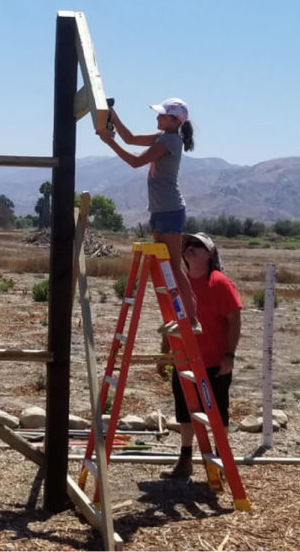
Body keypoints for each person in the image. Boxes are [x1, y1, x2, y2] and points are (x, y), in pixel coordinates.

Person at [98, 98, 197, 326]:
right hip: (160, 210)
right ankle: (177, 316)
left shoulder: (171, 141)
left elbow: (134, 161)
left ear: (174, 120)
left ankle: (191, 319)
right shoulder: (163, 137)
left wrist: (108, 142)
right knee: (166, 268)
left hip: (170, 210)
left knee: (173, 266)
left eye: (161, 115)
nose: (157, 117)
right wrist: (112, 113)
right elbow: (130, 138)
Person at [158, 232, 242, 479]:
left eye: (197, 245)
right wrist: (166, 354)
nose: (189, 248)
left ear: (209, 254)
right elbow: (172, 320)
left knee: (217, 413)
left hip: (214, 362)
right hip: (184, 361)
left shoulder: (219, 282)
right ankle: (185, 460)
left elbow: (234, 318)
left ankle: (220, 460)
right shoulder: (180, 283)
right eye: (187, 244)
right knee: (184, 412)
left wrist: (230, 355)